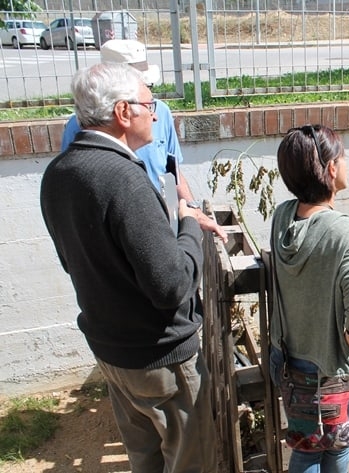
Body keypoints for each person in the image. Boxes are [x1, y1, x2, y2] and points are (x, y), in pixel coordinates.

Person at [40, 62, 217, 473]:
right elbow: (172, 285)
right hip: (161, 358)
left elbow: (73, 263)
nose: (155, 114)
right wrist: (188, 224)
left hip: (112, 353)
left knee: (146, 459)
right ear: (123, 112)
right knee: (192, 462)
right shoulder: (125, 180)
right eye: (149, 104)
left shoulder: (59, 174)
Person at [268, 124, 349, 473]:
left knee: (307, 449)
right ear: (331, 169)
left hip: (286, 361)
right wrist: (345, 342)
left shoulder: (282, 217)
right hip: (330, 372)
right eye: (342, 156)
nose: (346, 162)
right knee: (330, 452)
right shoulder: (344, 230)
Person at [61, 38, 227, 243]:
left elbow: (171, 172)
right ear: (121, 107)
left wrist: (192, 212)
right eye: (142, 90)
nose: (152, 113)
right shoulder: (79, 128)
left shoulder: (161, 112)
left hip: (163, 227)